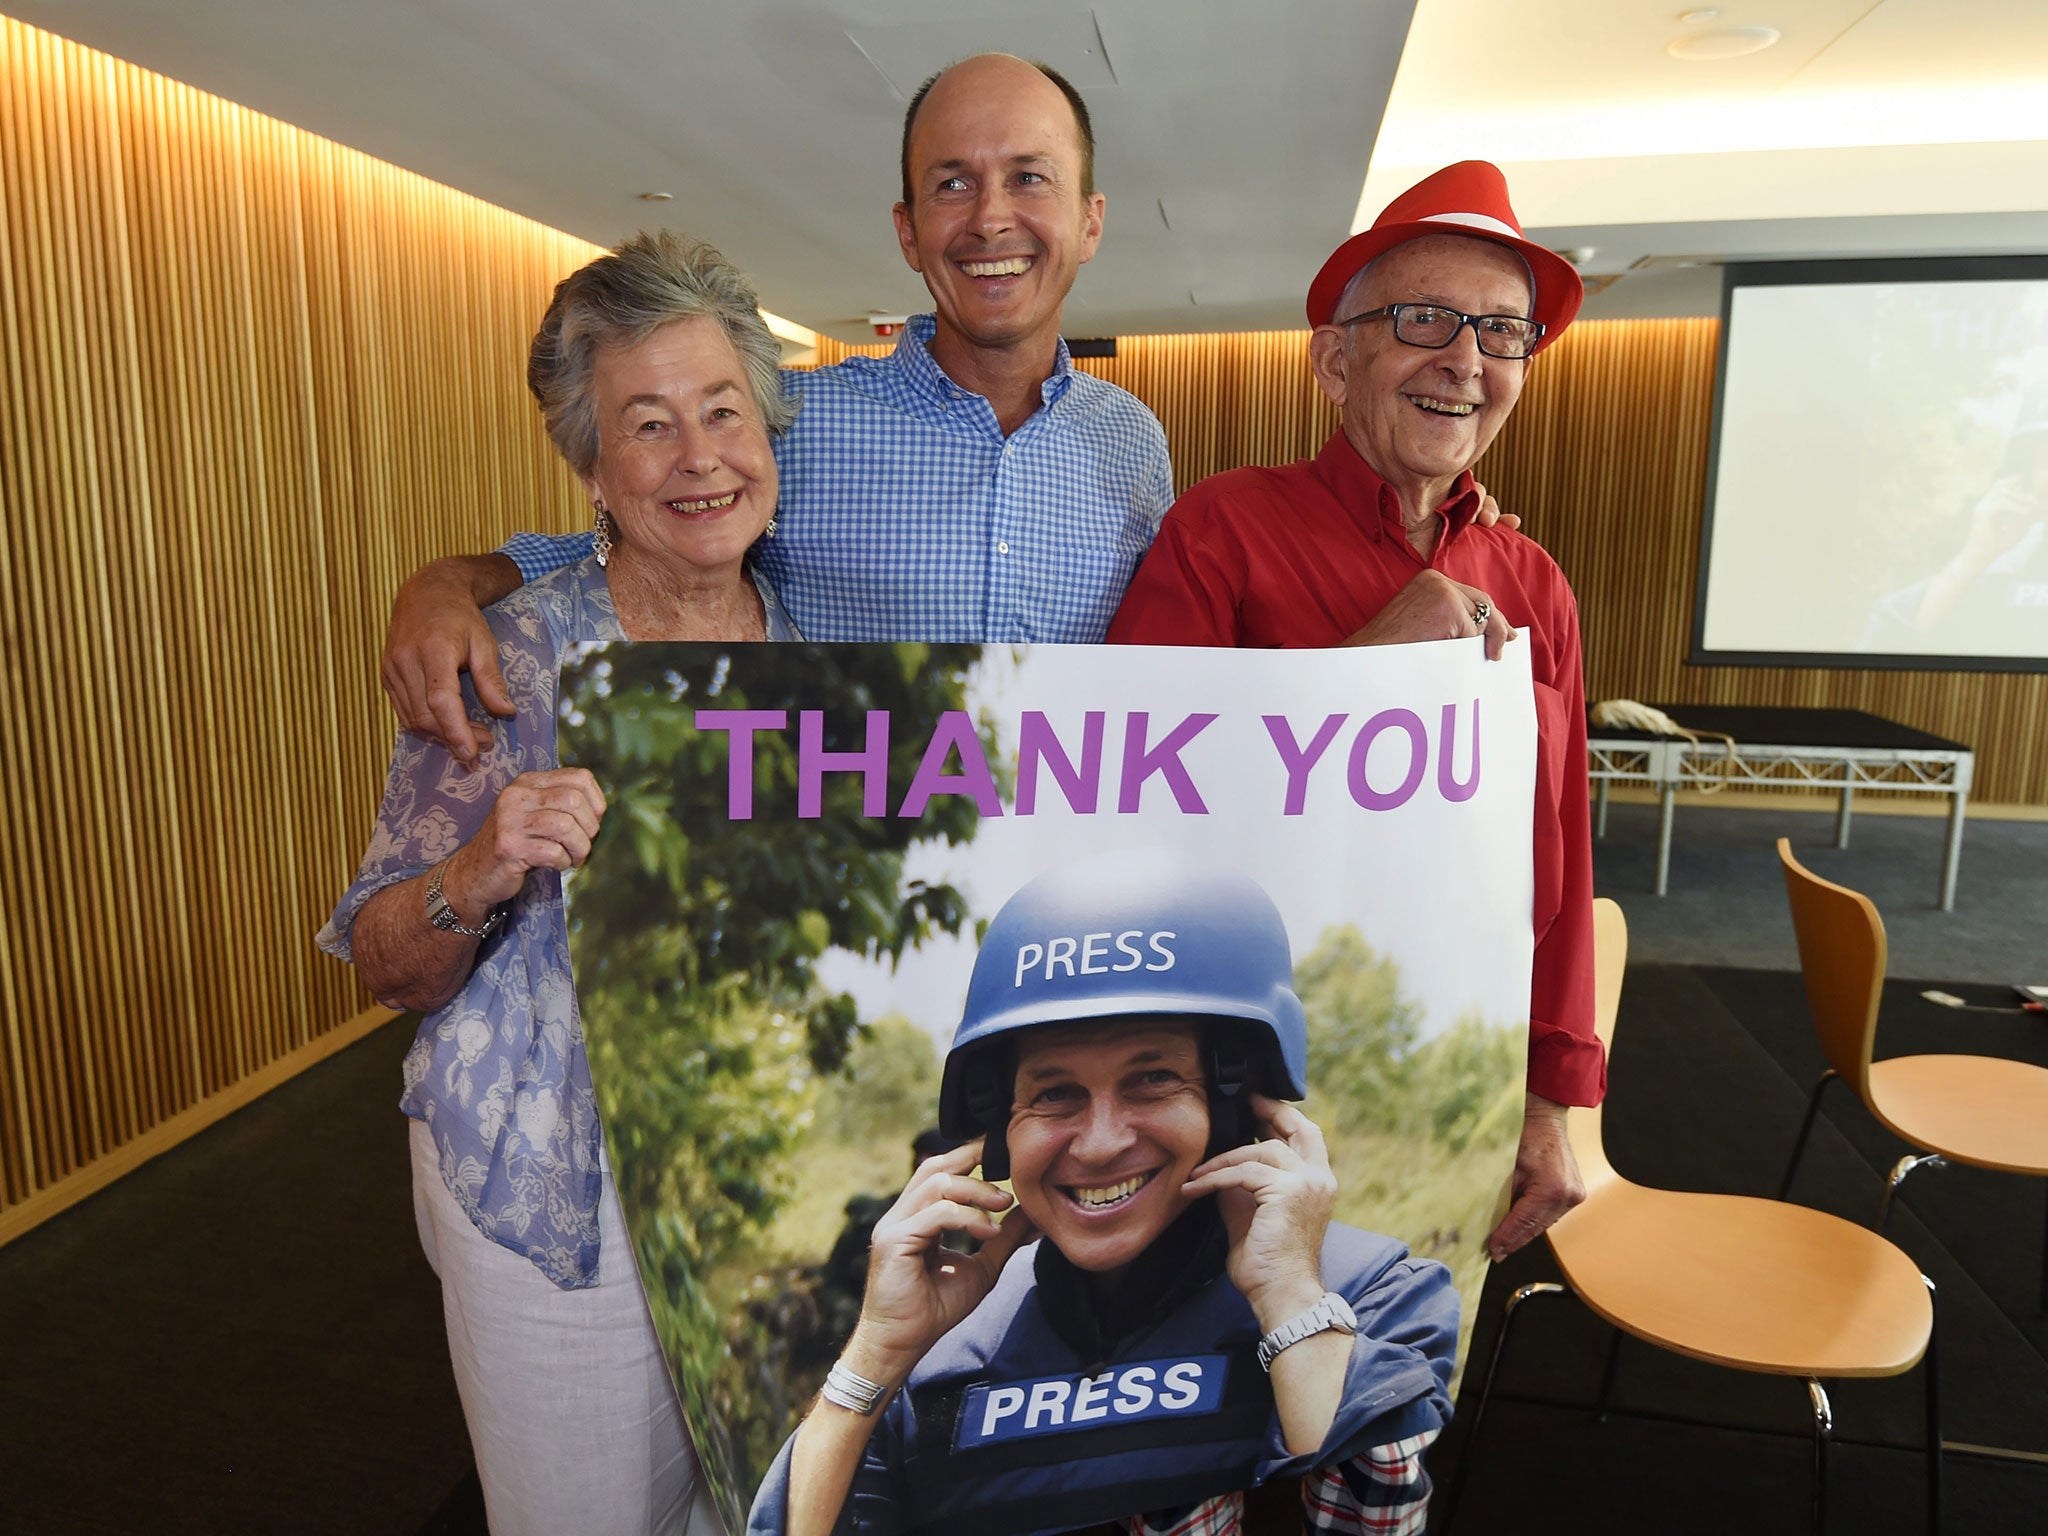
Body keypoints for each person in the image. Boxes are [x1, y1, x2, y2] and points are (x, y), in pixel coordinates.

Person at [317, 230, 799, 1536]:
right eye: (649, 425)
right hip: (556, 1204)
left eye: (723, 412)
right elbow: (382, 962)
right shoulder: (503, 663)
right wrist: (481, 866)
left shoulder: (822, 665)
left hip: (770, 1194)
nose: (700, 458)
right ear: (590, 464)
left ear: (768, 429)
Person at [381, 52, 1174, 766]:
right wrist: (448, 584)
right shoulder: (795, 419)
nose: (990, 217)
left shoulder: (1132, 442)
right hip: (841, 883)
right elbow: (632, 538)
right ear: (909, 230)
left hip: (1055, 880)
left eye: (1030, 177)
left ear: (1090, 220)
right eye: (952, 183)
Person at [1107, 161, 1605, 1265]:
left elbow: (1556, 868)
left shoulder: (1537, 587)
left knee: (1385, 1387)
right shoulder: (1221, 529)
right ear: (1336, 360)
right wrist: (1355, 671)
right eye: (1424, 319)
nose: (1464, 361)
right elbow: (1128, 818)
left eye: (1499, 332)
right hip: (1225, 1067)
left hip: (1443, 1068)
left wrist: (1547, 1102)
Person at [749, 855, 1457, 1536]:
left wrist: (1289, 1298)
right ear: (999, 1130)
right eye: (1055, 1095)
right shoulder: (940, 1360)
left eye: (1152, 1080)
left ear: (1238, 1106)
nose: (1099, 1142)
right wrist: (876, 1353)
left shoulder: (1372, 1299)